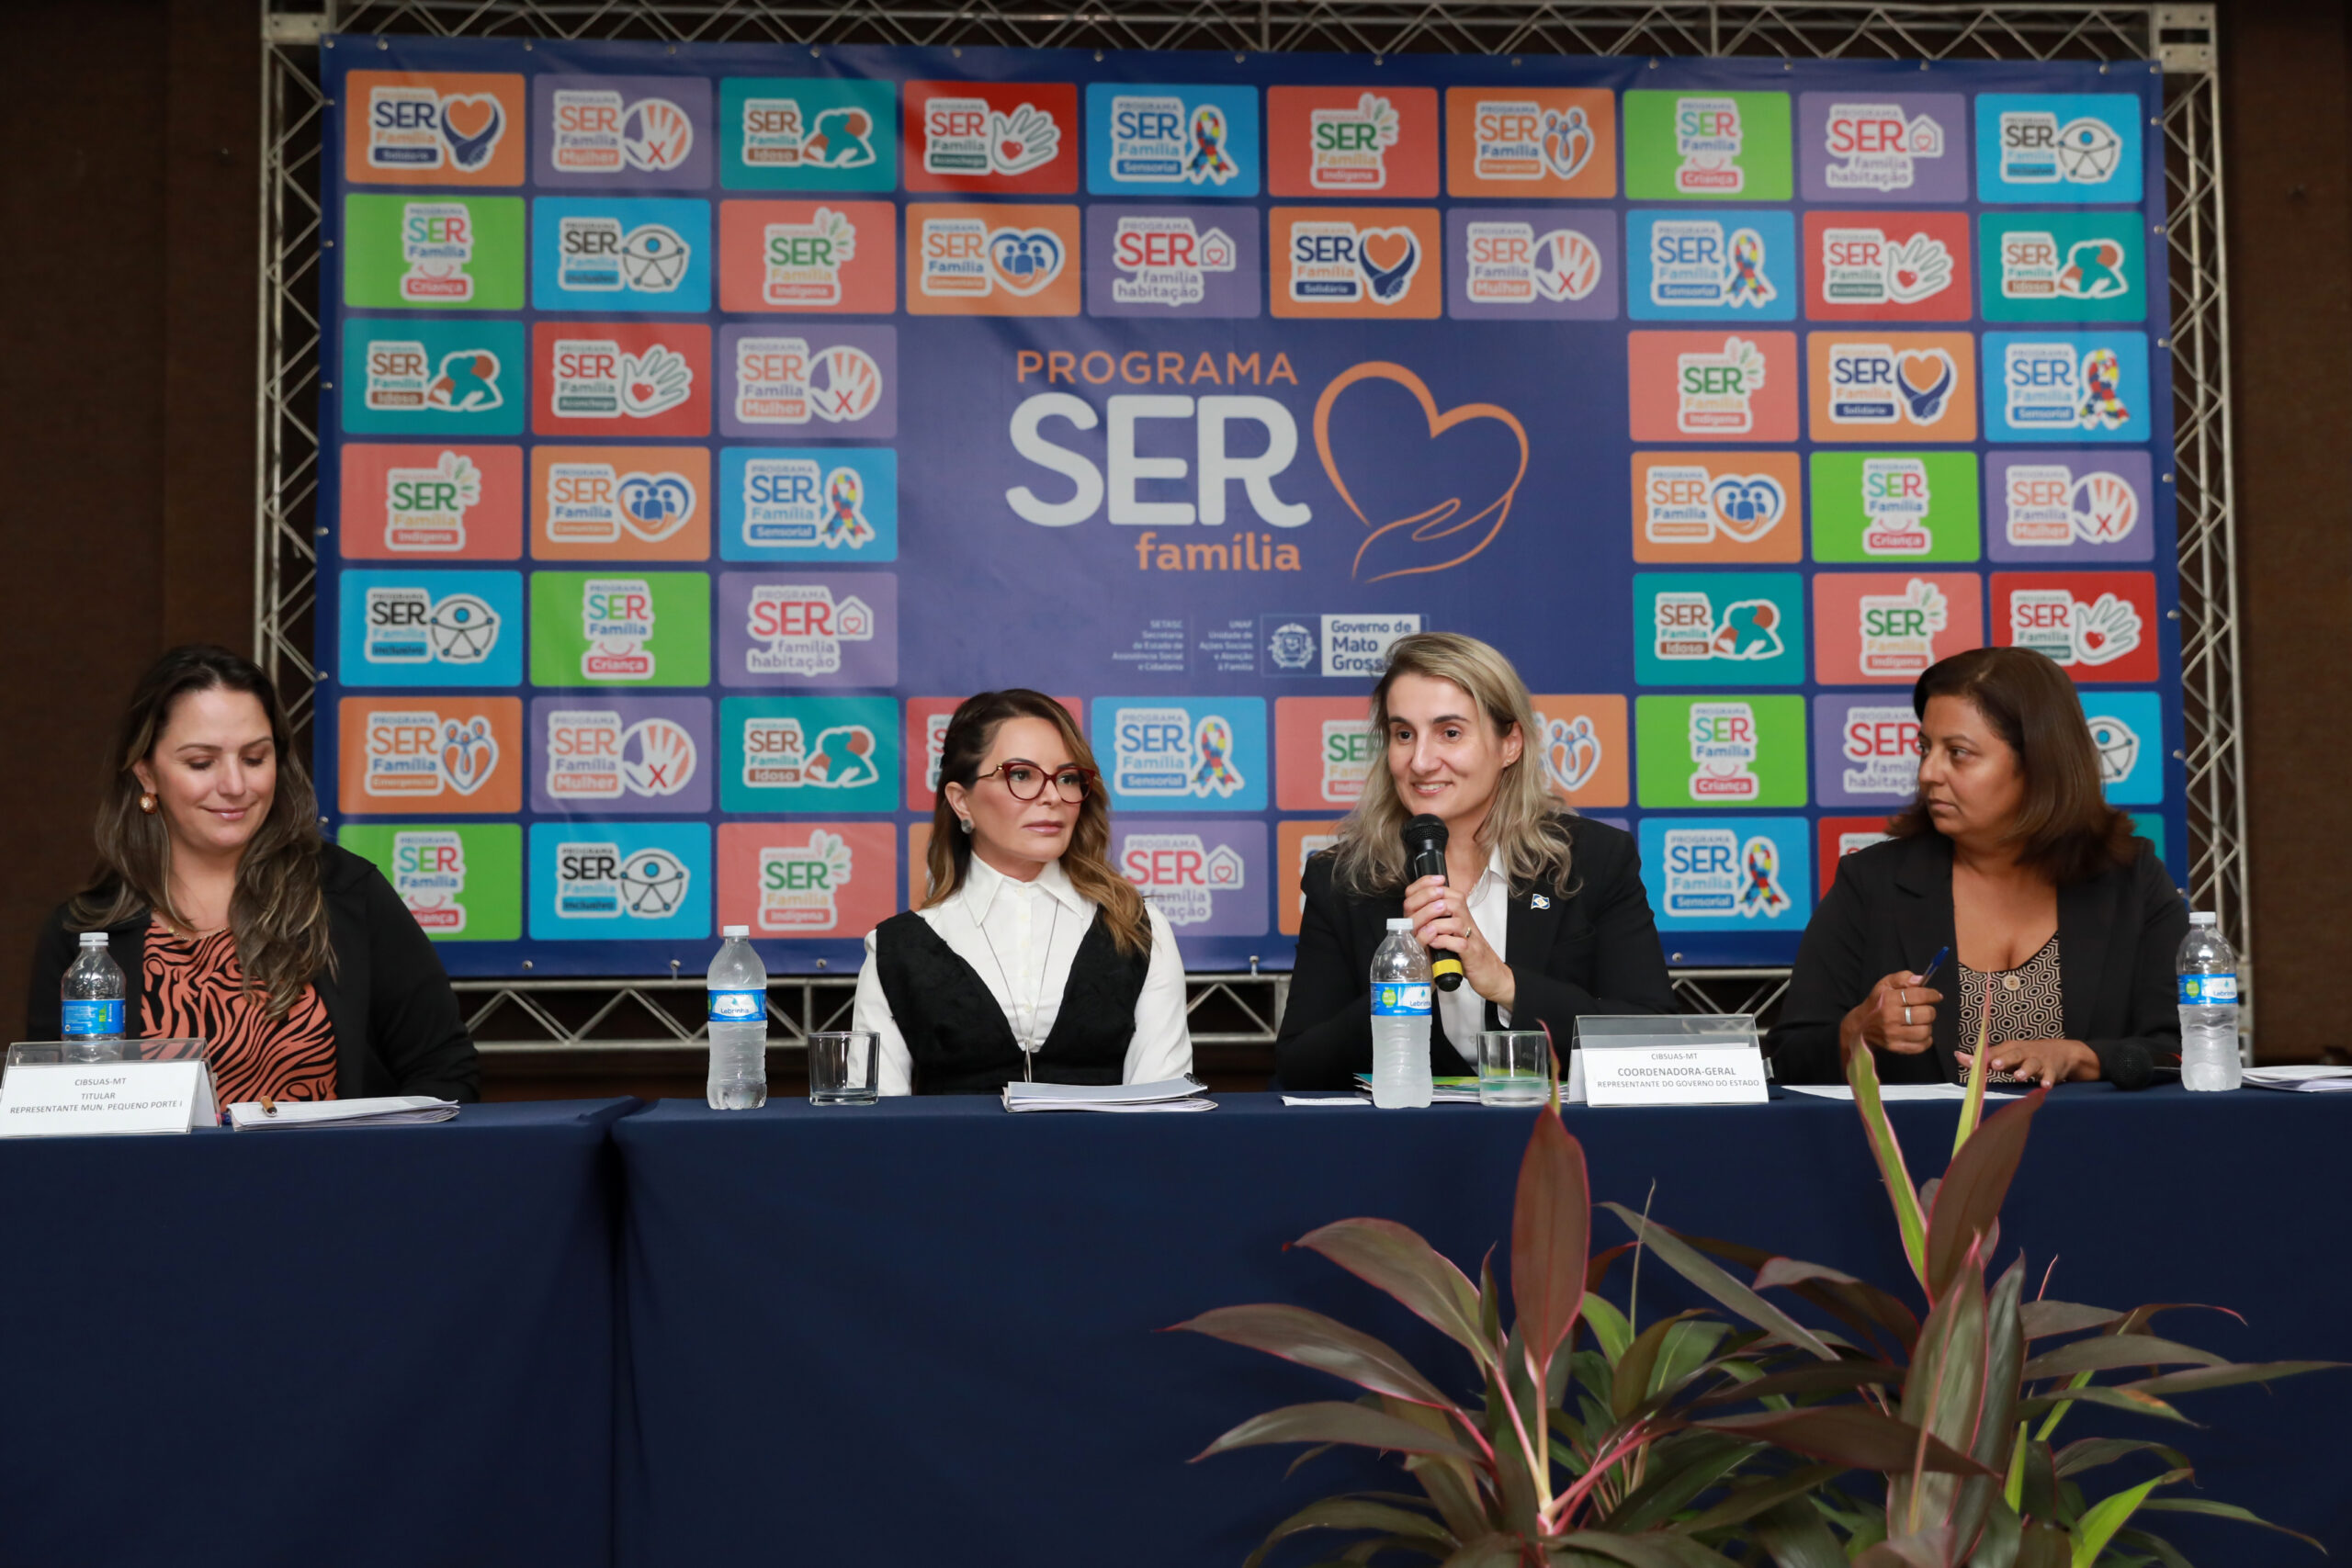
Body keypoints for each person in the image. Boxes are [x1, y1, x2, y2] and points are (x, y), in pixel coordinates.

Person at [26, 645, 478, 1102]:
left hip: (337, 1174)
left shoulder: (347, 894)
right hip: (158, 1178)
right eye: (201, 763)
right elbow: (60, 1112)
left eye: (255, 758)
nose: (235, 786)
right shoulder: (84, 933)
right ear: (146, 773)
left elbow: (444, 1071)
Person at [1770, 646, 2186, 1089]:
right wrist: (1856, 1034)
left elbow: (2184, 1047)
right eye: (1925, 748)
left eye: (1958, 752)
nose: (1928, 772)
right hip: (1918, 1156)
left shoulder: (2131, 879)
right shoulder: (1871, 885)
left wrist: (2080, 1056)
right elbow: (1788, 1058)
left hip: (2090, 1150)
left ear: (2037, 763)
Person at [1276, 633, 1676, 1089]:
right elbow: (1298, 1067)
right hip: (1404, 1144)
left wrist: (1506, 984)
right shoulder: (1342, 878)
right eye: (1404, 734)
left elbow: (1651, 1037)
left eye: (1450, 733)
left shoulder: (1593, 860)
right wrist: (1399, 991)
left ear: (1511, 743)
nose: (1421, 761)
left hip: (1558, 1139)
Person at [852, 689, 1191, 1095]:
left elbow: (1164, 1111)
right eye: (1021, 774)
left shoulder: (1140, 929)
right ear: (962, 802)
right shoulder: (895, 950)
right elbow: (874, 1129)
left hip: (1107, 1159)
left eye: (1067, 777)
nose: (1052, 796)